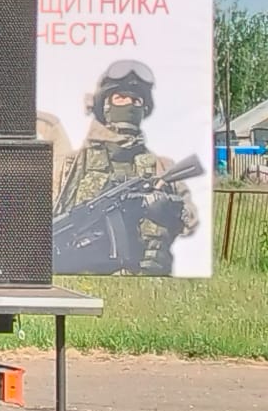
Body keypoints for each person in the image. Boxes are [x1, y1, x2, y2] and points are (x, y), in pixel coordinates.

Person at [54, 60, 198, 275]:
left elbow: (190, 221)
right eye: (120, 98)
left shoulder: (162, 167)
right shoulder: (71, 165)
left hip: (150, 279)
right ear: (105, 106)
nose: (129, 104)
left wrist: (167, 208)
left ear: (144, 109)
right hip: (87, 276)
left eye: (136, 100)